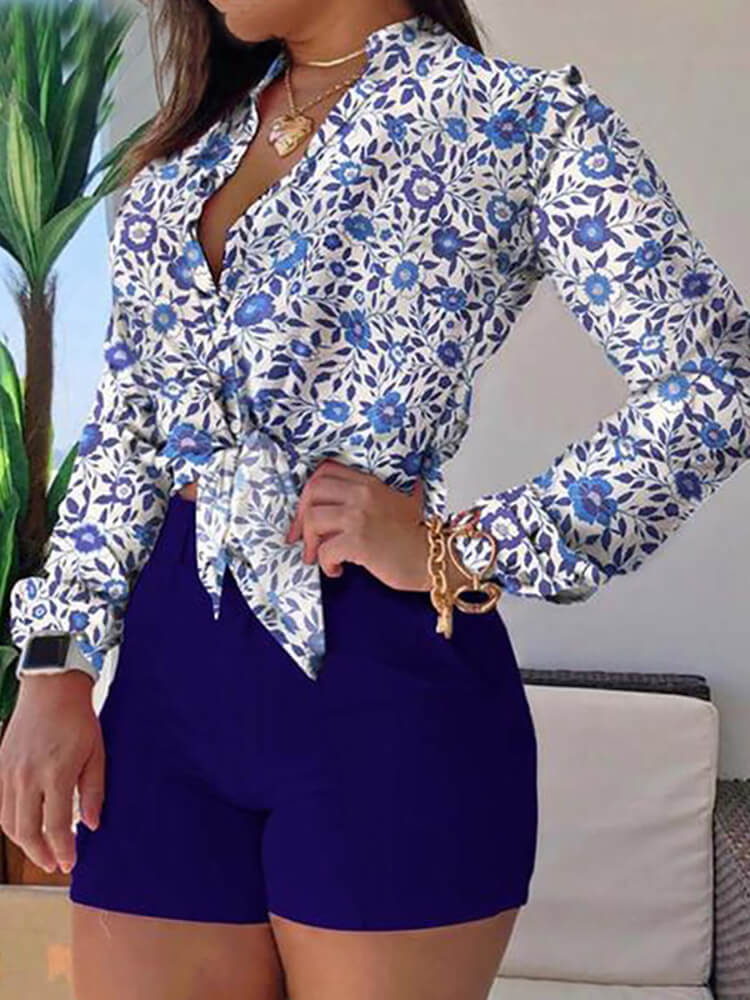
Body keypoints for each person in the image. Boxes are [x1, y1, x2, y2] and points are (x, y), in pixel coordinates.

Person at [1, 0, 748, 997]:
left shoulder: (517, 119)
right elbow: (126, 433)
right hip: (165, 703)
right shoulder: (186, 156)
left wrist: (468, 546)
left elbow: (715, 381)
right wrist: (55, 666)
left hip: (385, 696)